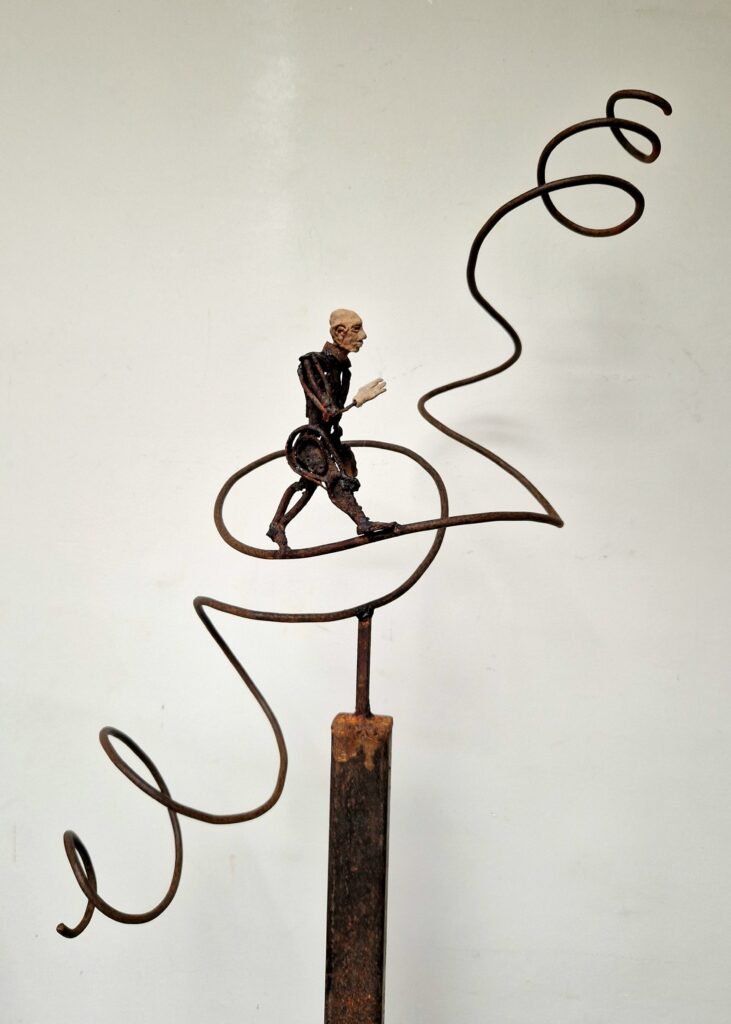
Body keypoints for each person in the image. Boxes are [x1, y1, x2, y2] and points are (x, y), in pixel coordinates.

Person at [267, 309, 395, 553]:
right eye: (356, 329)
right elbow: (328, 409)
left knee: (307, 486)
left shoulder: (343, 369)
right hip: (312, 441)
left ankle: (277, 525)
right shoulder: (313, 362)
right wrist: (357, 401)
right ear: (339, 332)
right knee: (334, 481)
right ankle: (362, 522)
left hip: (328, 440)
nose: (363, 336)